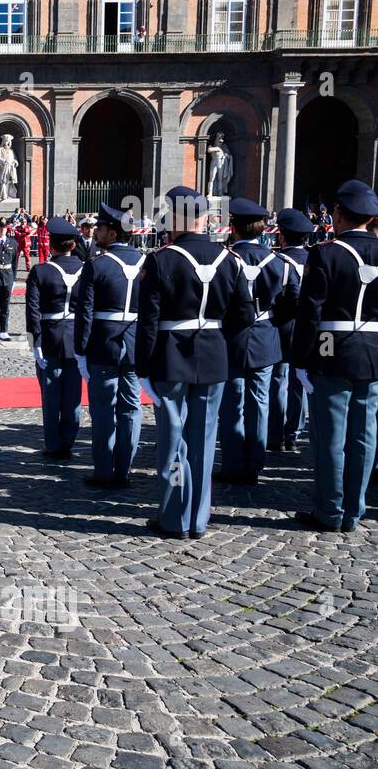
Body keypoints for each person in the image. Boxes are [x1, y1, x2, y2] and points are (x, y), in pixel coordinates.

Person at [135, 186, 255, 539]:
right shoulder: (229, 259)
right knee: (203, 442)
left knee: (173, 443)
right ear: (204, 218)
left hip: (171, 358)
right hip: (213, 356)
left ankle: (173, 516)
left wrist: (142, 367)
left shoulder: (161, 260)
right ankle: (198, 519)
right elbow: (245, 315)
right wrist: (221, 345)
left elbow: (148, 322)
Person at [289, 180, 378, 532]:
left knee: (329, 435)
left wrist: (300, 359)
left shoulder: (325, 252)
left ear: (338, 214)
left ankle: (330, 509)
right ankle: (354, 510)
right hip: (373, 351)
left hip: (331, 345)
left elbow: (310, 312)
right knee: (364, 434)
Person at [216, 198, 286, 487]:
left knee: (232, 402)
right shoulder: (279, 262)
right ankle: (254, 462)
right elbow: (290, 300)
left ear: (234, 227)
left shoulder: (226, 259)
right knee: (259, 402)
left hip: (232, 336)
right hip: (264, 335)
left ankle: (233, 463)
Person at [73, 203, 144, 488]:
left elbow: (84, 312)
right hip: (136, 343)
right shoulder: (146, 263)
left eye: (100, 228)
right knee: (131, 408)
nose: (96, 232)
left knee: (103, 408)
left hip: (103, 345)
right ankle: (124, 469)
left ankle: (104, 469)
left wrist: (80, 350)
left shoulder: (96, 265)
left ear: (112, 233)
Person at [25, 218, 84, 459]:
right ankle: (68, 441)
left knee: (51, 396)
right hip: (77, 337)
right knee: (73, 396)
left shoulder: (41, 271)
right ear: (72, 244)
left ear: (51, 244)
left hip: (49, 337)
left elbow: (32, 310)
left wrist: (35, 342)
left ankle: (53, 443)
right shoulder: (87, 268)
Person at [268, 208, 313, 453]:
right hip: (307, 327)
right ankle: (293, 432)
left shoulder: (278, 261)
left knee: (278, 378)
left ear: (282, 235)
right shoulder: (316, 258)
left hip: (282, 325)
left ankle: (274, 434)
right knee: (300, 381)